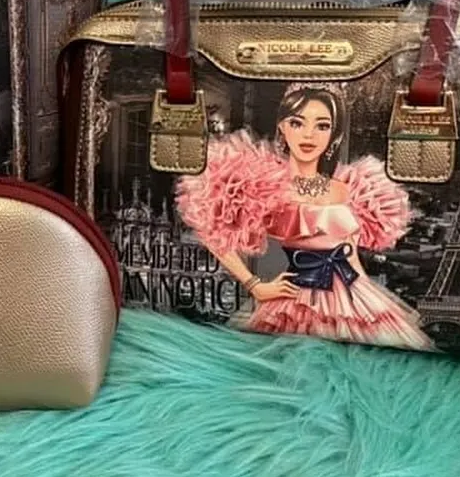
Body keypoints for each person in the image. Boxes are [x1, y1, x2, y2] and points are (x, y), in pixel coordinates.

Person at [174, 82, 432, 350]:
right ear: (282, 127)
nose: (309, 135)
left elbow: (351, 256)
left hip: (356, 297)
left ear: (334, 134)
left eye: (322, 126)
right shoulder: (264, 185)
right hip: (295, 301)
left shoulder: (352, 187)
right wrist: (255, 285)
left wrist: (369, 301)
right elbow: (210, 231)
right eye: (297, 123)